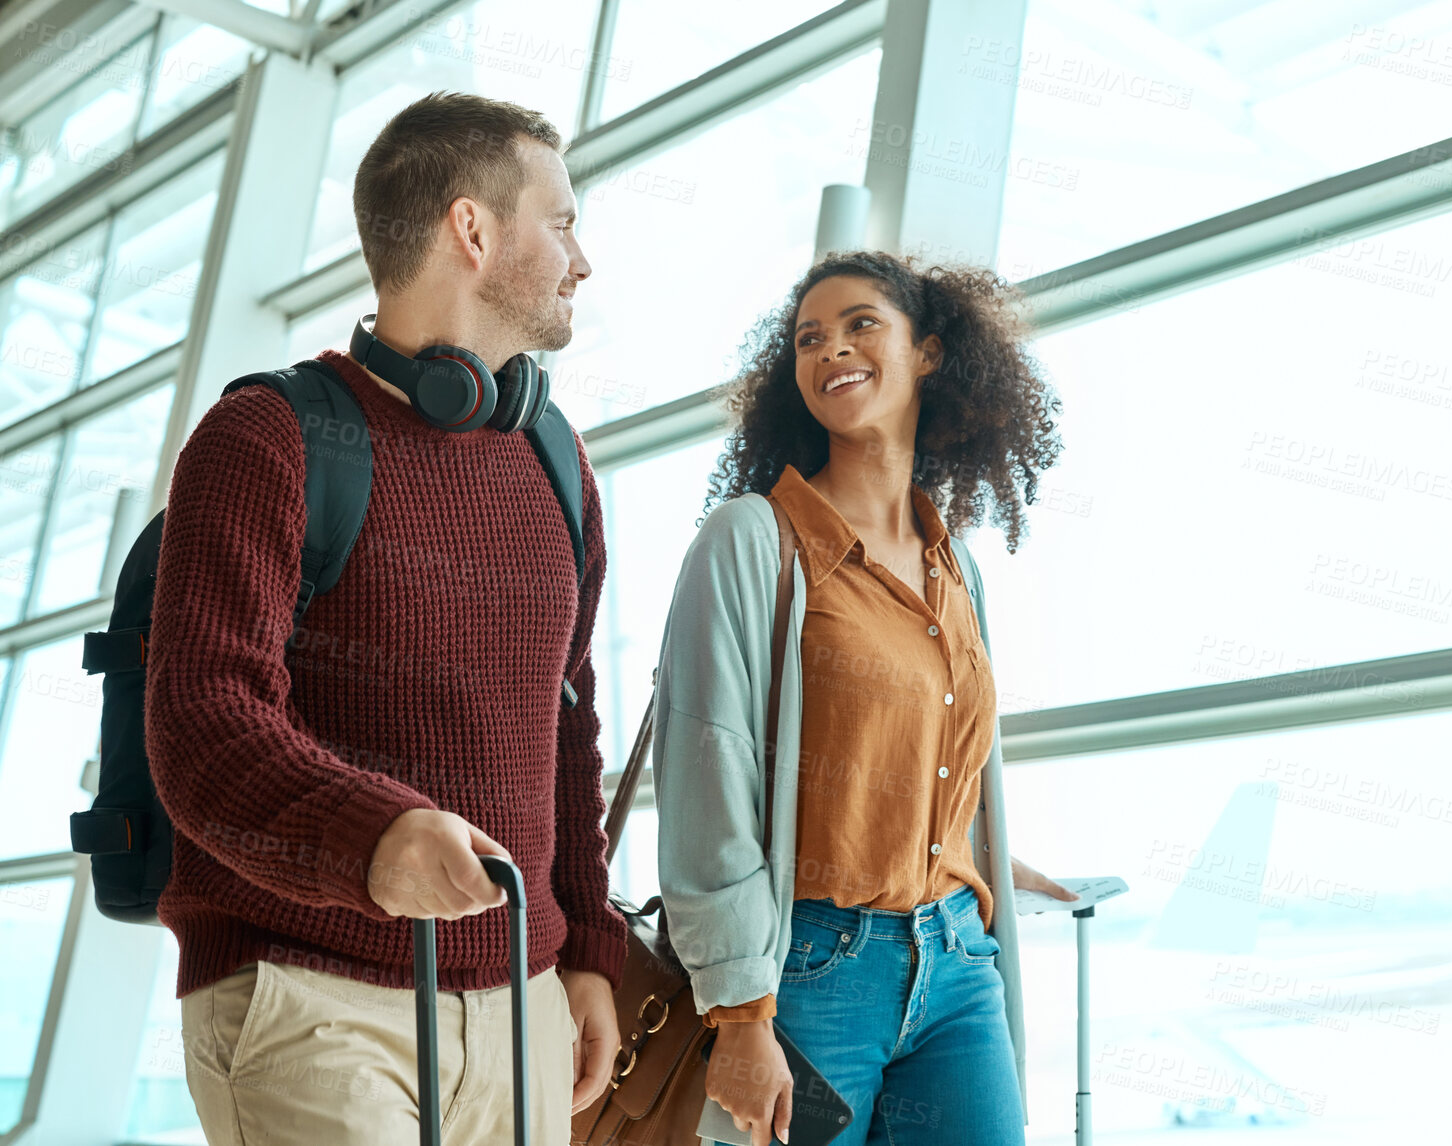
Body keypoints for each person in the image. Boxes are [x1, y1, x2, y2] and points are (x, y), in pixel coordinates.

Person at [143, 91, 623, 1145]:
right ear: (472, 229)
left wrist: (587, 942)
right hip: (308, 1003)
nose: (581, 258)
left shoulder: (558, 463)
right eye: (563, 221)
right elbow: (203, 721)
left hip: (525, 1004)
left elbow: (567, 721)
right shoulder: (263, 440)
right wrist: (374, 835)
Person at [650, 250, 1075, 1146]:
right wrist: (739, 1014)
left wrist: (978, 857)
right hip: (808, 971)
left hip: (958, 958)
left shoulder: (953, 568)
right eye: (809, 338)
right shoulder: (751, 542)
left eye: (859, 325)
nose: (830, 349)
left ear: (927, 352)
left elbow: (939, 753)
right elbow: (706, 779)